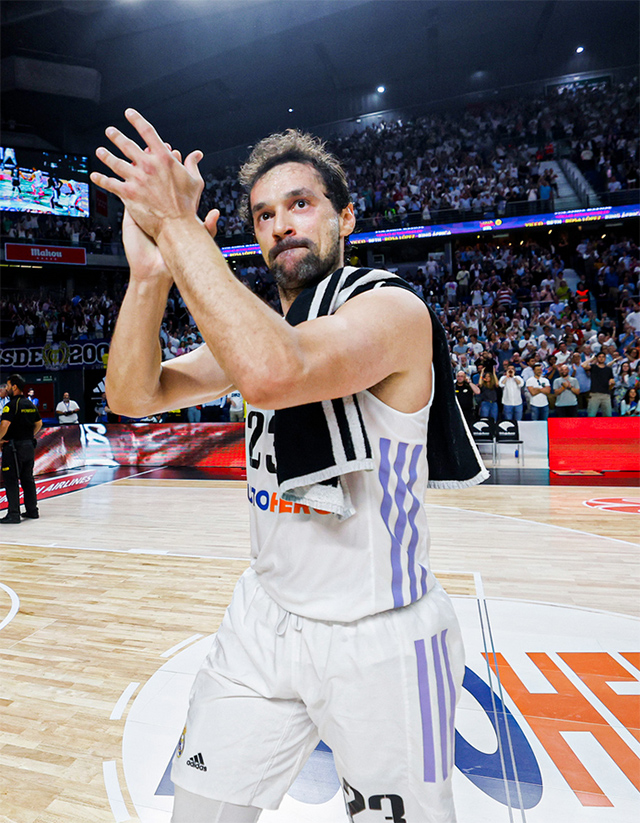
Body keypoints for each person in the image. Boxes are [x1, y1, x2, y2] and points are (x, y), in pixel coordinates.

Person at [92, 110, 487, 823]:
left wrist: (179, 229)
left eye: (301, 204)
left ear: (347, 216)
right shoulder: (260, 332)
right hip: (263, 622)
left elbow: (280, 371)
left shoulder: (391, 309)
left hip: (382, 635)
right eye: (264, 213)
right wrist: (151, 274)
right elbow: (132, 393)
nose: (281, 223)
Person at [0, 373, 42, 524]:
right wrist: (28, 435)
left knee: (11, 480)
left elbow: (4, 425)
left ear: (15, 387)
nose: (6, 388)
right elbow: (39, 424)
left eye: (8, 385)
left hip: (13, 448)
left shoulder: (11, 405)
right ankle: (32, 511)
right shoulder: (30, 404)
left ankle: (13, 514)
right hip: (28, 446)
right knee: (27, 479)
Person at [584, 352, 615, 417]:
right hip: (595, 394)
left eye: (603, 357)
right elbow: (583, 365)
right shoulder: (593, 367)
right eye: (599, 357)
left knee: (608, 415)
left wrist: (612, 384)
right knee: (591, 415)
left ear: (605, 358)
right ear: (597, 358)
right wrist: (592, 359)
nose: (601, 358)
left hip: (606, 395)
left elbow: (611, 383)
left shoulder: (608, 369)